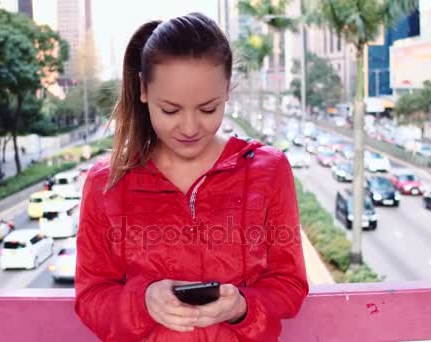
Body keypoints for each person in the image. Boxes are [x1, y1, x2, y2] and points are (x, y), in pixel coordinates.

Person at [75, 12, 308, 342]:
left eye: (208, 109)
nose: (189, 128)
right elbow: (90, 298)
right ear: (142, 89)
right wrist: (144, 301)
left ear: (227, 89)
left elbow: (290, 285)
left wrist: (241, 307)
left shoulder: (268, 170)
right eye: (170, 110)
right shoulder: (106, 184)